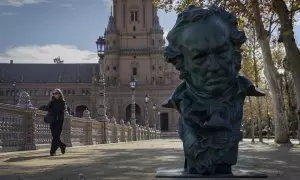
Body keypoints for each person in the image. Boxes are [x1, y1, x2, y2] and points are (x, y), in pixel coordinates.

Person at [47, 89, 67, 156]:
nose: (55, 94)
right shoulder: (51, 102)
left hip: (59, 121)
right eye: (54, 93)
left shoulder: (62, 102)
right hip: (52, 121)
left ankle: (52, 151)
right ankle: (62, 145)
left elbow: (61, 111)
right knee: (55, 137)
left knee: (56, 137)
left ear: (60, 94)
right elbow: (49, 110)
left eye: (57, 93)